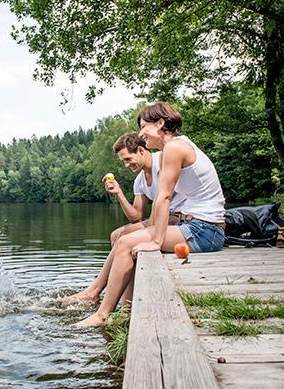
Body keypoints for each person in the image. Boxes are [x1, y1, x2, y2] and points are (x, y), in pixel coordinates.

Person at [74, 101, 226, 327]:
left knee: (125, 243)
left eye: (144, 126)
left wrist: (156, 239)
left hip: (206, 230)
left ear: (161, 123)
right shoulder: (169, 151)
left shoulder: (175, 148)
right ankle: (124, 310)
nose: (141, 133)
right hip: (196, 226)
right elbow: (157, 204)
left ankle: (102, 314)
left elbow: (164, 197)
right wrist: (152, 231)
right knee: (124, 240)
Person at [62, 132, 184, 306]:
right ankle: (125, 300)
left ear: (141, 150)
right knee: (115, 235)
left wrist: (150, 228)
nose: (127, 165)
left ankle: (95, 291)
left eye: (128, 159)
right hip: (159, 219)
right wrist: (118, 193)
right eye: (123, 161)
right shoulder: (140, 180)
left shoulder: (163, 162)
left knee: (123, 238)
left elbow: (165, 199)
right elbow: (136, 216)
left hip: (177, 218)